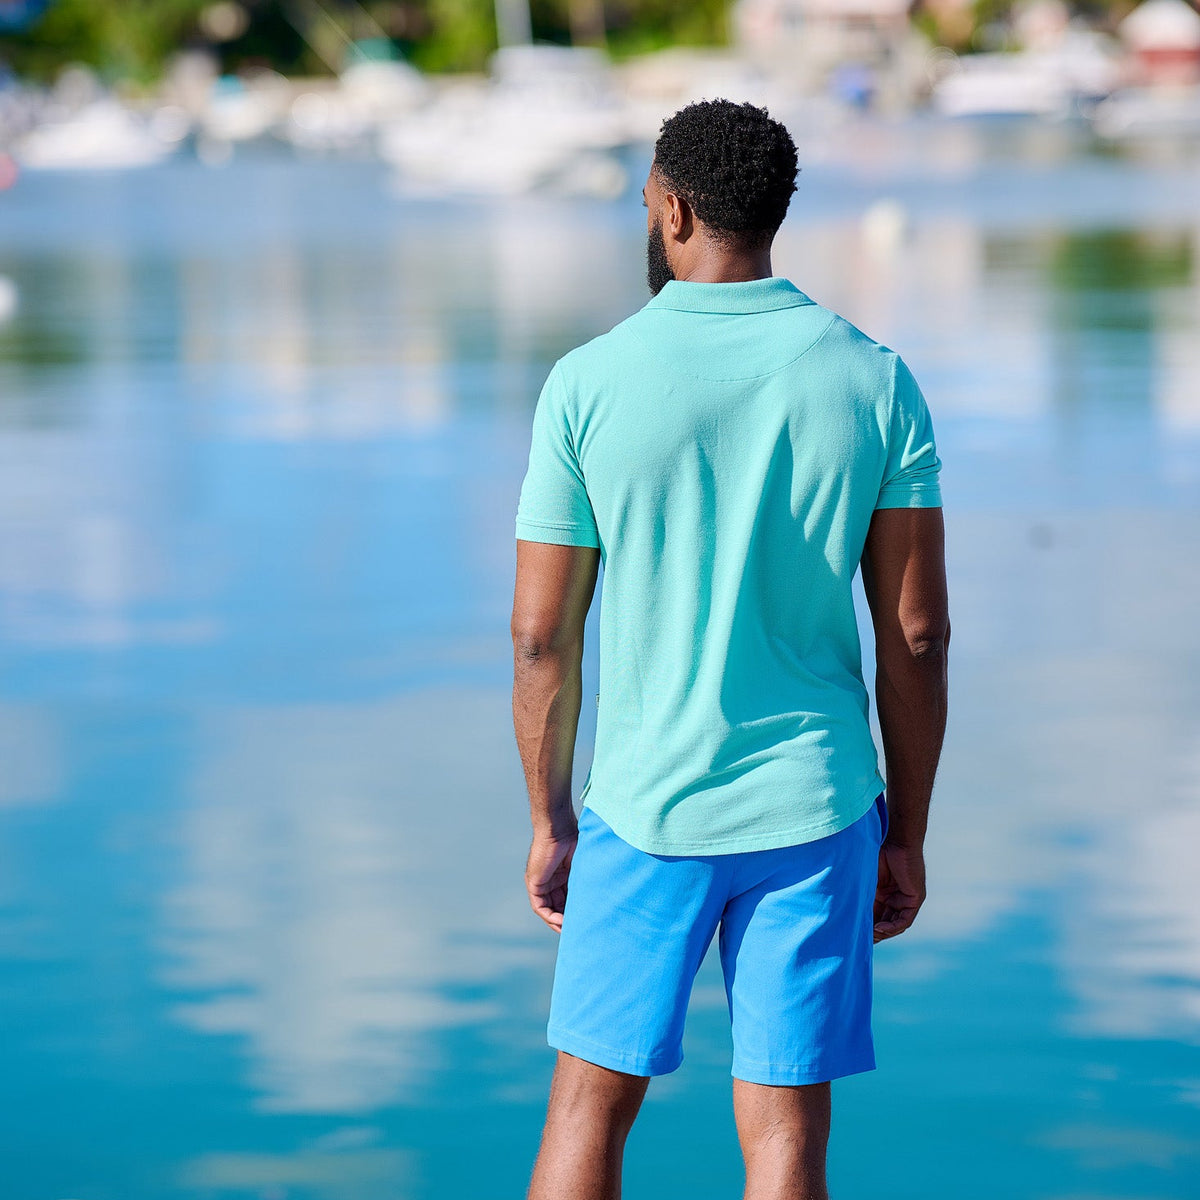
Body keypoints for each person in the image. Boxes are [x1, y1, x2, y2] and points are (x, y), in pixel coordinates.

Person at [510, 97, 950, 1200]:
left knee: (587, 1115)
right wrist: (908, 829)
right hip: (817, 808)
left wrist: (549, 816)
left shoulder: (587, 382)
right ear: (773, 213)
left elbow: (539, 637)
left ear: (671, 207)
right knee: (788, 1136)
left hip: (644, 809)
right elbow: (917, 633)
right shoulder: (874, 378)